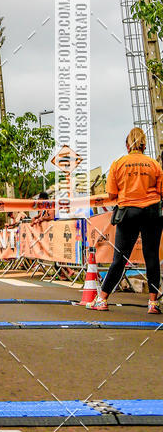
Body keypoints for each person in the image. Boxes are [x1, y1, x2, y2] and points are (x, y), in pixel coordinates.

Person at [87, 127, 163, 314]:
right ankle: (153, 303)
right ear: (144, 145)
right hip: (152, 212)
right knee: (151, 257)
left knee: (120, 258)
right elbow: (161, 191)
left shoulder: (118, 164)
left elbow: (112, 194)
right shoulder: (154, 165)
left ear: (127, 145)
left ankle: (102, 299)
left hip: (127, 213)